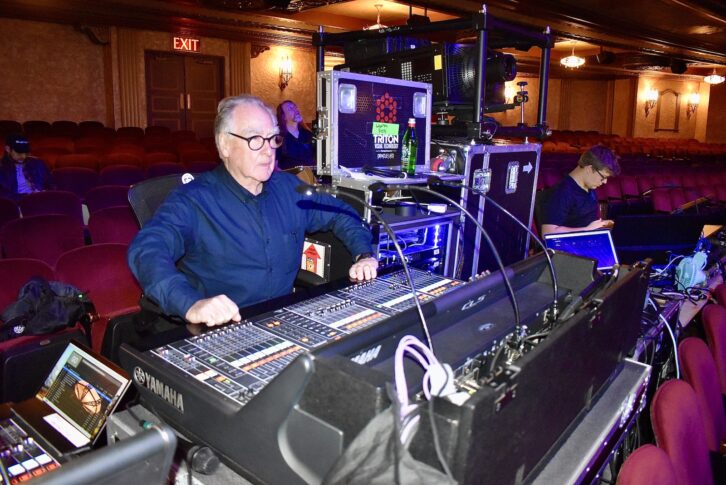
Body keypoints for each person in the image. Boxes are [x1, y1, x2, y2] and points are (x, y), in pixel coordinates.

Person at [128, 94, 377, 327]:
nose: (269, 150)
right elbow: (147, 250)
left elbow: (341, 213)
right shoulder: (193, 200)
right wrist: (190, 303)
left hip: (280, 321)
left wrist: (363, 254)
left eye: (273, 138)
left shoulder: (291, 190)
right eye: (255, 139)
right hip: (218, 329)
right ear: (224, 145)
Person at [537, 144, 621, 236]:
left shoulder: (589, 187)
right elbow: (547, 233)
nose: (605, 182)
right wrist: (586, 230)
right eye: (603, 177)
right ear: (589, 169)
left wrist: (600, 225)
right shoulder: (562, 192)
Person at [0, 134, 52, 200]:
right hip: (15, 205)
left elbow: (51, 185)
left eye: (26, 153)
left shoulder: (39, 163)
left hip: (40, 201)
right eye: (19, 153)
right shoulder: (1, 168)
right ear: (8, 149)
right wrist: (28, 197)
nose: (23, 157)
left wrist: (45, 192)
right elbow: (3, 196)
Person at [276, 100, 315, 170]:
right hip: (289, 178)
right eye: (290, 108)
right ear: (284, 117)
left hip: (310, 178)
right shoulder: (279, 138)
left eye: (295, 107)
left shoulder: (308, 134)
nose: (295, 109)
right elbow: (274, 166)